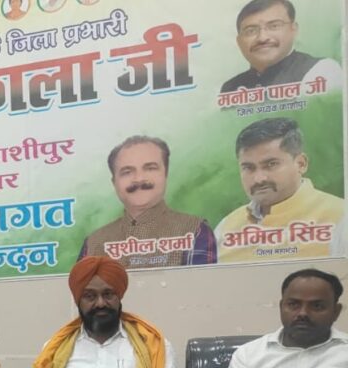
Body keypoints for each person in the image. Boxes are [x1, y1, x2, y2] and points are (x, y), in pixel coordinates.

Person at [29, 257, 184, 368]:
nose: (100, 303)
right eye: (90, 296)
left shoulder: (152, 343)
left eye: (108, 294)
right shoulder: (55, 348)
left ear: (119, 297)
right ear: (78, 301)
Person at [214, 269, 347, 368]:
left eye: (317, 306)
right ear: (281, 306)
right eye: (293, 304)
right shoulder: (249, 353)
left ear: (336, 312)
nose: (303, 313)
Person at [216, 118, 344, 262]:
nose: (259, 179)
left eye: (271, 164)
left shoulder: (340, 218)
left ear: (301, 164)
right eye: (248, 168)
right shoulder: (225, 228)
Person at [79, 136, 217, 269]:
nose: (139, 179)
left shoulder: (194, 229)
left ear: (165, 174)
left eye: (150, 168)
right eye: (127, 172)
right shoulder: (94, 242)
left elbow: (201, 283)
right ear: (114, 182)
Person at [220, 0, 342, 93]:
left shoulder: (321, 71)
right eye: (251, 31)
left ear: (293, 29)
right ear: (239, 41)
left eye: (274, 26)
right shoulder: (230, 89)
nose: (262, 38)